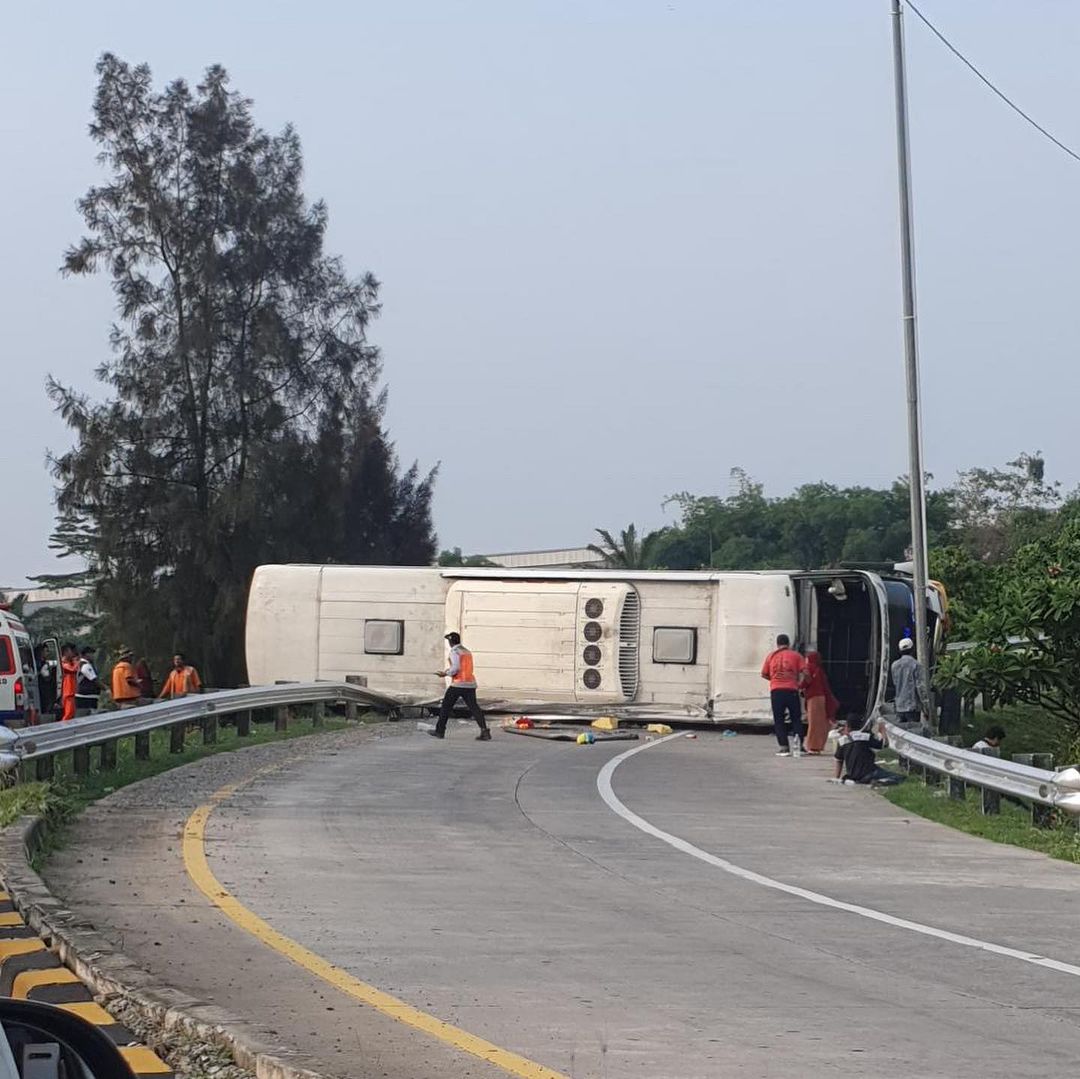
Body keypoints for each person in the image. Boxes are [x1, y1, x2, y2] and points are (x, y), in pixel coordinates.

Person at [429, 632, 490, 741]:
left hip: (458, 684)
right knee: (474, 708)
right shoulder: (466, 651)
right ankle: (484, 731)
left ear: (450, 642)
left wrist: (445, 673)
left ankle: (439, 731)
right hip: (470, 684)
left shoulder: (455, 652)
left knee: (446, 707)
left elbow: (456, 668)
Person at [760, 634, 807, 756]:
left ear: (777, 643)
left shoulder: (771, 656)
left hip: (776, 691)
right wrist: (800, 683)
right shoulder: (796, 656)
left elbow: (764, 674)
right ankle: (799, 746)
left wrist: (775, 679)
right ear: (789, 643)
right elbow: (806, 672)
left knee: (779, 719)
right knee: (796, 718)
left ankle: (784, 748)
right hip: (792, 690)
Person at [832, 714, 904, 786]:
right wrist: (882, 731)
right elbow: (884, 744)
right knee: (900, 778)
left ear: (847, 726)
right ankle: (880, 782)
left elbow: (839, 760)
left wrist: (837, 778)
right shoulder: (866, 736)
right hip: (869, 773)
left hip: (852, 775)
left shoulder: (841, 741)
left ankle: (874, 780)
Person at [802, 651, 839, 754]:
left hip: (814, 698)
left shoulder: (809, 667)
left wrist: (799, 686)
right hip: (821, 697)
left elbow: (806, 681)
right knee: (820, 722)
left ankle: (812, 746)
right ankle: (818, 746)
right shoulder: (819, 669)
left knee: (814, 723)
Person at [890, 638, 930, 729]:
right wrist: (926, 708)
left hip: (899, 706)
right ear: (913, 649)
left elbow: (895, 683)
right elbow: (921, 688)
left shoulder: (894, 665)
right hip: (912, 707)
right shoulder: (916, 665)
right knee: (913, 732)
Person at [74, 646, 101, 716]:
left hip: (86, 697)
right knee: (85, 718)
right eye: (91, 653)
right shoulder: (85, 665)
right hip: (85, 698)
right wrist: (106, 689)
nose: (93, 656)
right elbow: (94, 680)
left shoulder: (84, 664)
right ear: (86, 654)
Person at [58, 643, 79, 722]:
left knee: (72, 713)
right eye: (71, 651)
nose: (73, 653)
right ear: (66, 652)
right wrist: (76, 661)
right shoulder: (63, 664)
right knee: (68, 714)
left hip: (71, 692)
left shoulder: (69, 663)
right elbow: (73, 669)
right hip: (67, 692)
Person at [35, 645, 57, 718]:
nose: (48, 653)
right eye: (46, 651)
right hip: (42, 687)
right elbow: (45, 675)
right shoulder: (37, 663)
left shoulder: (44, 662)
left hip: (47, 687)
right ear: (41, 652)